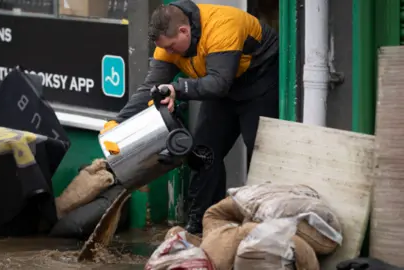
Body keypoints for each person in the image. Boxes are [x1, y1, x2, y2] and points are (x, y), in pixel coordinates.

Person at [100, 0, 279, 235]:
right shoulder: (168, 43)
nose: (171, 53)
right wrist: (117, 122)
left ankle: (266, 223)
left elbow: (218, 84)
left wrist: (178, 88)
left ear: (184, 31)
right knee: (203, 153)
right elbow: (150, 87)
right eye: (168, 49)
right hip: (219, 83)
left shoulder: (222, 26)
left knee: (259, 154)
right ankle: (204, 222)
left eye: (173, 47)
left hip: (259, 80)